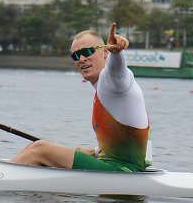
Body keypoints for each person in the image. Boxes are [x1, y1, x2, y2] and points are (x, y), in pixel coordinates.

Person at [10, 22, 149, 172]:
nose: (81, 58)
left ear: (105, 53)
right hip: (118, 166)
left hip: (123, 172)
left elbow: (118, 72)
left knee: (40, 148)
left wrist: (117, 53)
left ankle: (0, 177)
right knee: (34, 146)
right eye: (75, 55)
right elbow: (141, 149)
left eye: (88, 51)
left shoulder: (113, 81)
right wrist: (95, 152)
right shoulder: (106, 88)